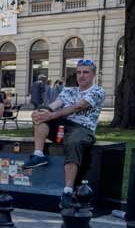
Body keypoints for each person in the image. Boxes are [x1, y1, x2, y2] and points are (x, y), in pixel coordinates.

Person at [26, 59, 106, 208]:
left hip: (83, 128)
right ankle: (38, 155)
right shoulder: (68, 90)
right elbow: (53, 106)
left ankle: (68, 191)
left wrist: (52, 115)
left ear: (93, 75)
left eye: (86, 72)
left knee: (74, 141)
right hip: (63, 125)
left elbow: (78, 107)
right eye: (79, 72)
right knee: (41, 118)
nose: (81, 76)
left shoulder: (98, 91)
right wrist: (41, 112)